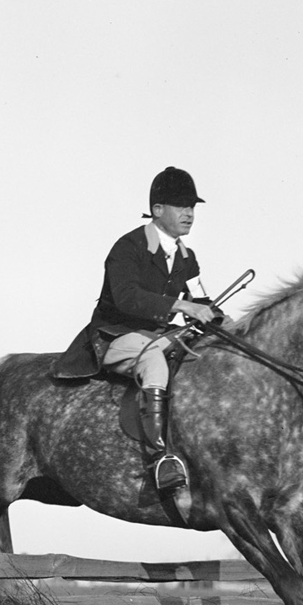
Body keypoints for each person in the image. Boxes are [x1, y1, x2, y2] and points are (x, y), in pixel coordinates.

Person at [52, 166, 220, 491]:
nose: (189, 213)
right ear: (158, 210)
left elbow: (203, 301)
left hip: (156, 336)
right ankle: (161, 459)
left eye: (192, 207)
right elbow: (127, 299)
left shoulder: (187, 257)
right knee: (154, 360)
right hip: (113, 335)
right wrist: (183, 307)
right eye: (181, 206)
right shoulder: (128, 248)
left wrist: (228, 326)